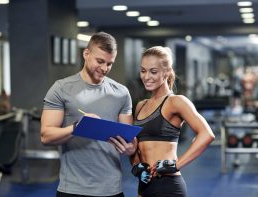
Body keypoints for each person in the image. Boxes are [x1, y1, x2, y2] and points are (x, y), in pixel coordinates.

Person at [40, 32, 137, 197]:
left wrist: (130, 148)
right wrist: (77, 127)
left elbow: (130, 140)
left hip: (111, 189)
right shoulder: (61, 88)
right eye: (100, 61)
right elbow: (46, 136)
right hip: (72, 188)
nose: (105, 68)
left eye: (109, 63)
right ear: (86, 54)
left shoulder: (121, 93)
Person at [130, 46, 215, 197]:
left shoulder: (176, 102)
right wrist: (137, 167)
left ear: (167, 72)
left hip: (168, 187)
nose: (147, 76)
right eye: (143, 71)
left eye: (153, 71)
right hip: (144, 187)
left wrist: (176, 165)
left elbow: (207, 134)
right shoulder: (140, 106)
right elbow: (135, 146)